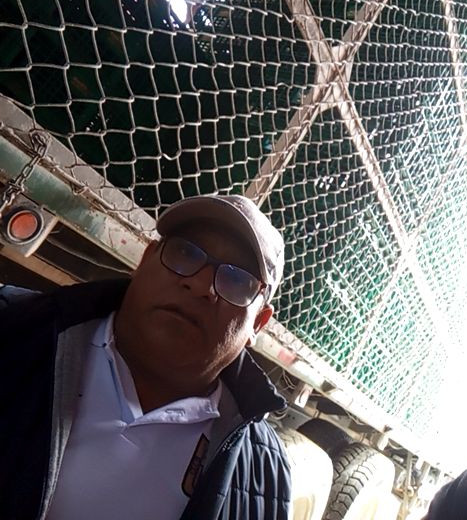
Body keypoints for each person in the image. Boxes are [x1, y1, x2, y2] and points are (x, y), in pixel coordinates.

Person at [0, 194, 292, 520]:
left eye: (237, 280)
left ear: (258, 323)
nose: (200, 285)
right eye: (185, 252)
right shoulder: (13, 329)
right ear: (146, 259)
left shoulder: (266, 474)